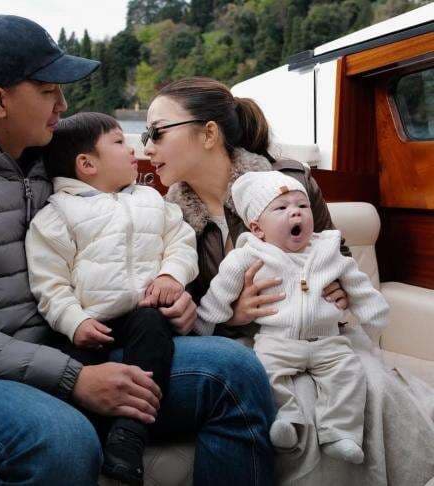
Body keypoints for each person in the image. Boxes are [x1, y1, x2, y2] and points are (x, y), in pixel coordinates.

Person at [0, 17, 276, 486]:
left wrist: (176, 296)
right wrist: (72, 379)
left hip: (78, 353)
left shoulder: (60, 167)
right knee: (62, 443)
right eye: (48, 91)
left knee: (236, 372)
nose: (63, 104)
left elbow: (133, 240)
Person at [143, 76, 434, 485]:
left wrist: (333, 291)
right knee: (285, 403)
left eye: (156, 132)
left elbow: (335, 253)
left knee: (371, 388)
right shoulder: (165, 216)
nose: (147, 147)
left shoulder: (289, 181)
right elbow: (192, 314)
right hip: (240, 343)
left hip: (320, 330)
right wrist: (235, 315)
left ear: (208, 134)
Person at [25, 112, 199, 484]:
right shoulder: (57, 215)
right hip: (89, 325)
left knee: (152, 328)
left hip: (143, 315)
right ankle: (92, 440)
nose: (133, 149)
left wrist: (171, 275)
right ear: (87, 164)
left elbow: (181, 242)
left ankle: (130, 431)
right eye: (119, 142)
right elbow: (49, 283)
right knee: (70, 367)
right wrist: (75, 322)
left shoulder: (151, 199)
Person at [196, 171, 389, 464]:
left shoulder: (327, 251)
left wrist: (373, 312)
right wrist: (203, 324)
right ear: (257, 228)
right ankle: (285, 419)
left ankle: (340, 433)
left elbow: (357, 283)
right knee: (263, 373)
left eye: (302, 205)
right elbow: (219, 293)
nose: (296, 212)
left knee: (349, 374)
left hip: (328, 340)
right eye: (281, 208)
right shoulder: (248, 255)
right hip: (277, 340)